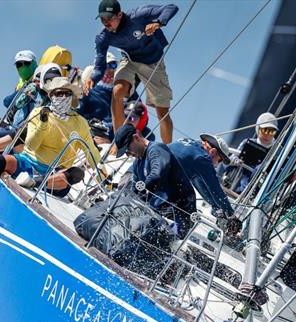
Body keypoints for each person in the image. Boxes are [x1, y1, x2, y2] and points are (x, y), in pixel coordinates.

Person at [0, 70, 101, 224]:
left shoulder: (80, 122)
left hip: (56, 175)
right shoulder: (39, 112)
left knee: (77, 173)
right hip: (29, 163)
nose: (61, 98)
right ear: (51, 96)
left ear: (71, 96)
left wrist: (102, 176)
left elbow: (91, 152)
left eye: (65, 94)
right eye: (57, 94)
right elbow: (32, 145)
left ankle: (36, 182)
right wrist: (42, 123)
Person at [85, 0, 178, 143]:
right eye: (102, 19)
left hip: (153, 63)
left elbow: (171, 7)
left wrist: (159, 22)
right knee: (117, 92)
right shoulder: (103, 37)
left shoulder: (138, 16)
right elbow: (99, 66)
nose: (105, 22)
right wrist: (93, 78)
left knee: (162, 112)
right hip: (130, 60)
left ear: (119, 15)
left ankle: (169, 150)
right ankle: (119, 142)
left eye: (109, 18)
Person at [112, 123, 195, 237]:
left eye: (128, 149)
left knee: (169, 240)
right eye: (126, 153)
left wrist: (143, 190)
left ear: (136, 138)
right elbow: (134, 192)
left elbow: (157, 174)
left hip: (179, 212)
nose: (129, 154)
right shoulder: (137, 163)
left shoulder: (156, 149)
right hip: (159, 210)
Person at [167, 134, 237, 222]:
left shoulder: (190, 143)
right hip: (163, 180)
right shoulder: (203, 158)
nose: (218, 164)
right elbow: (215, 190)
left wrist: (216, 207)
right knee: (189, 216)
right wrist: (231, 215)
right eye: (220, 160)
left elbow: (200, 184)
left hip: (152, 167)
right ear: (213, 152)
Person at [219, 112, 279, 193]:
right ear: (258, 129)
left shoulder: (278, 150)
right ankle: (226, 184)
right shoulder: (246, 143)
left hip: (262, 193)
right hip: (239, 189)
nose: (267, 135)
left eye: (271, 131)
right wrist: (233, 160)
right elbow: (229, 160)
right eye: (265, 130)